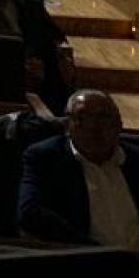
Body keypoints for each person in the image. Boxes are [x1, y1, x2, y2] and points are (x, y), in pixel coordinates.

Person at [18, 89, 138, 249]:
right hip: (86, 261)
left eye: (103, 117)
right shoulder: (47, 158)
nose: (93, 126)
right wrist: (97, 252)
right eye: (81, 118)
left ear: (119, 124)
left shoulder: (135, 159)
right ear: (67, 126)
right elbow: (30, 214)